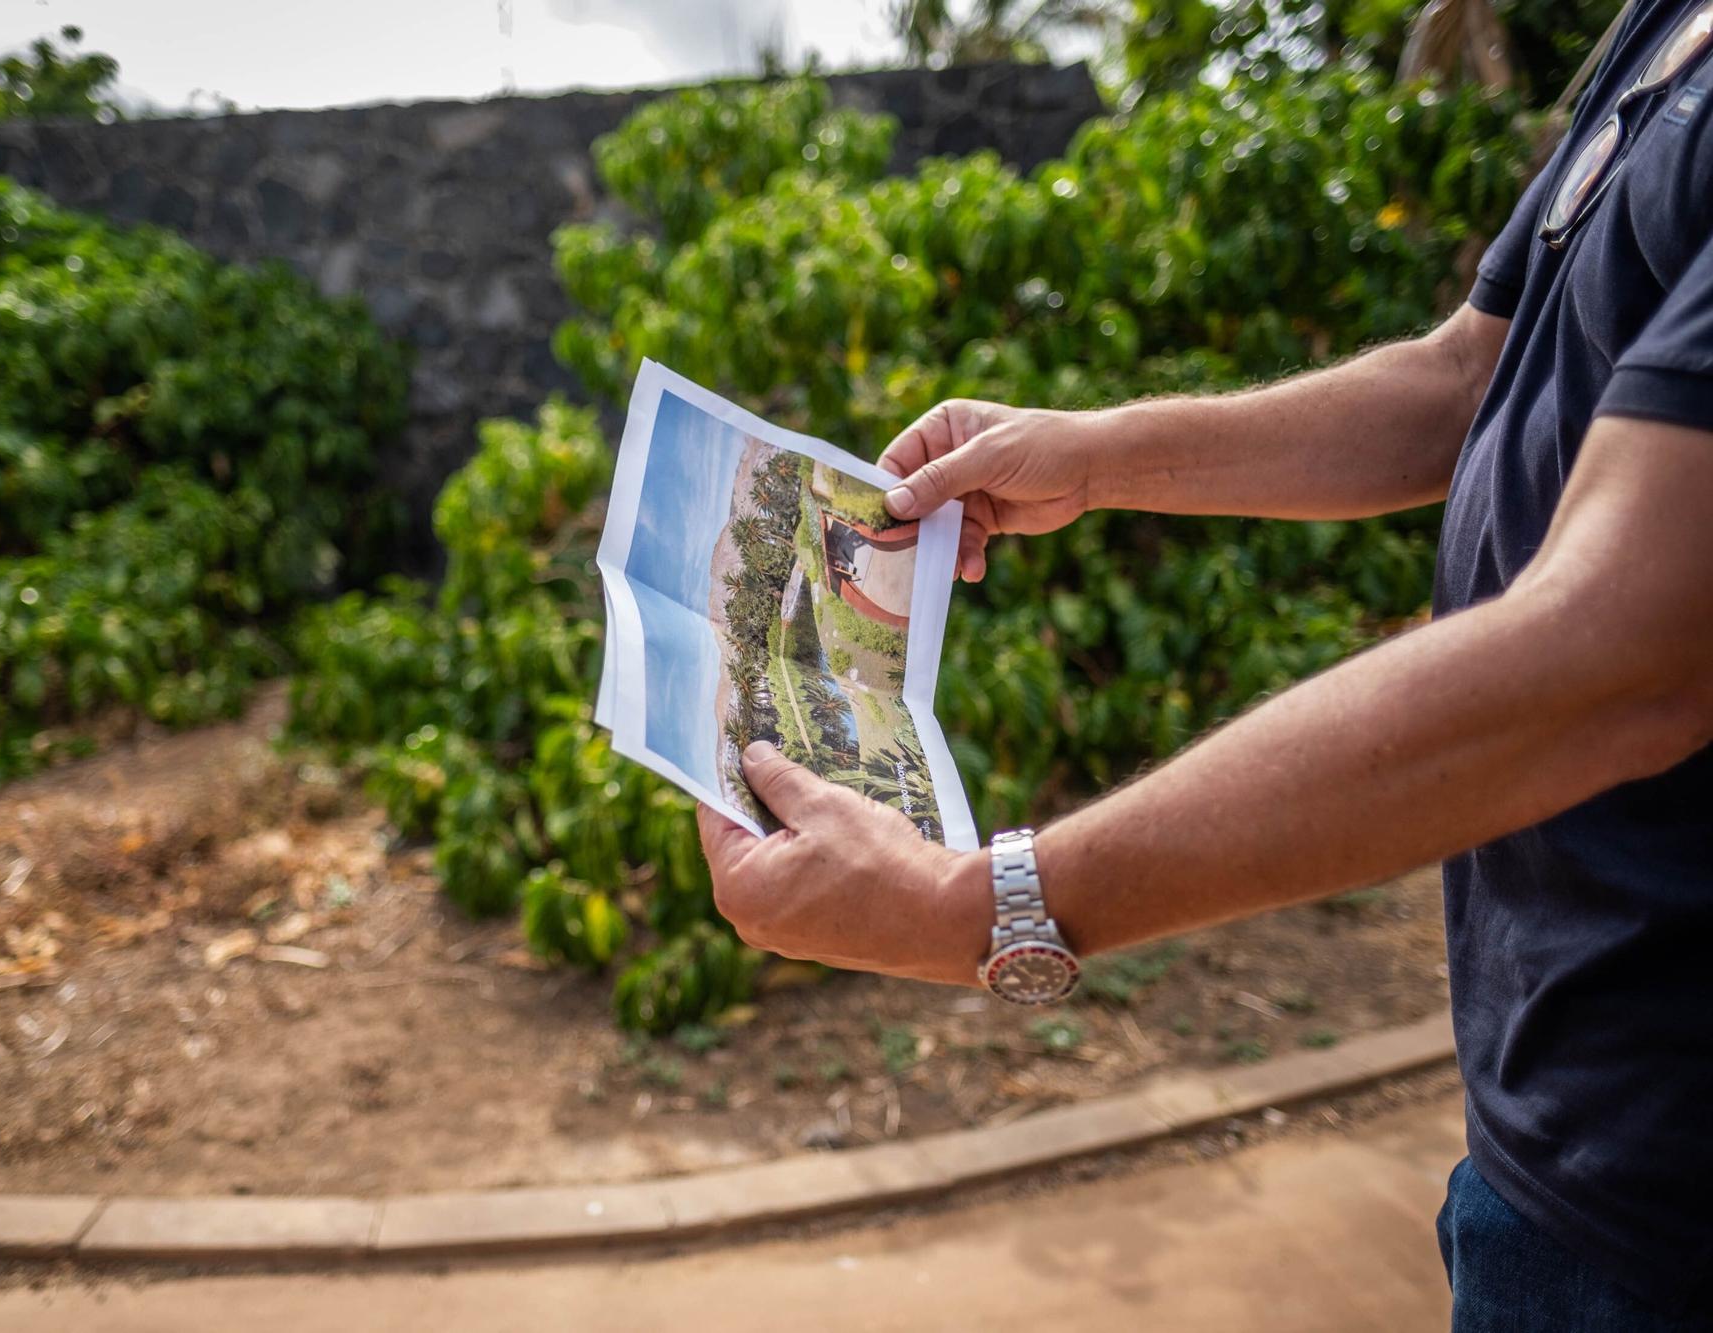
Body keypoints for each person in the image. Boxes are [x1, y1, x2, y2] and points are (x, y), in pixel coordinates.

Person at [696, 2, 1713, 1327]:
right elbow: (1471, 373)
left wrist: (983, 907)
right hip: (1558, 1122)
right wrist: (1101, 451)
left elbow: (1619, 654)